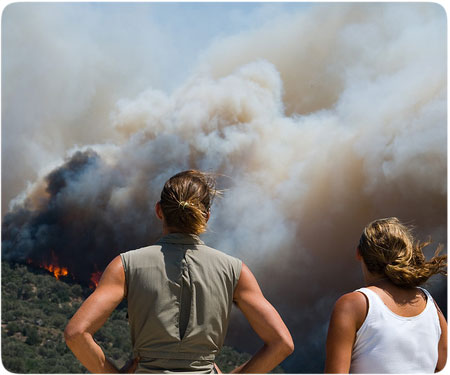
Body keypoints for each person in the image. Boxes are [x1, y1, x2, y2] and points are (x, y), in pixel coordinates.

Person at [65, 170, 294, 373]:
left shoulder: (124, 266)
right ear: (206, 216)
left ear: (159, 210)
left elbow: (76, 334)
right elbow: (282, 343)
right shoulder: (236, 271)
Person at [324, 217, 447, 374]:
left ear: (359, 253)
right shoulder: (428, 303)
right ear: (405, 254)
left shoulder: (352, 305)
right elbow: (443, 367)